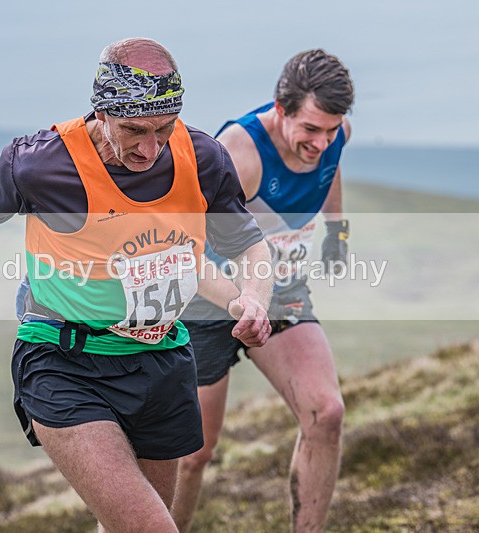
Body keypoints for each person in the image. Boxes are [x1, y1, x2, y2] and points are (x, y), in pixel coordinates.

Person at [0, 37, 273, 532]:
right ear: (102, 111)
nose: (150, 148)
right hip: (64, 361)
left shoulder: (202, 158)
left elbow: (246, 244)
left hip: (162, 361)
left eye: (163, 128)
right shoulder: (42, 163)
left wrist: (255, 300)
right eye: (134, 130)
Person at [171, 49, 355, 533]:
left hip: (281, 291)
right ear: (280, 107)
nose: (321, 142)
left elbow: (331, 166)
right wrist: (238, 300)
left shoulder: (335, 136)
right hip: (208, 300)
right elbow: (185, 244)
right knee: (193, 454)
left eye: (332, 130)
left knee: (326, 411)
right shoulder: (237, 152)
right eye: (310, 130)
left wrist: (338, 233)